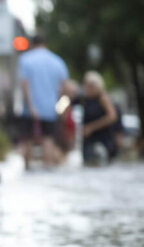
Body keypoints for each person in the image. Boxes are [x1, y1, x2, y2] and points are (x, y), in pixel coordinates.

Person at [18, 34, 69, 169]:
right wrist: (61, 107)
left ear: (32, 44)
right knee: (49, 140)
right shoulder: (57, 61)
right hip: (51, 108)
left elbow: (25, 85)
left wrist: (31, 106)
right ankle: (48, 169)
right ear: (46, 43)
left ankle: (27, 171)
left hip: (30, 109)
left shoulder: (26, 60)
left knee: (28, 139)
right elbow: (64, 87)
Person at [73, 71, 119, 164]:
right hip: (88, 140)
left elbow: (112, 116)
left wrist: (91, 127)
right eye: (86, 85)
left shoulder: (102, 98)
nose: (87, 88)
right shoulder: (83, 99)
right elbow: (67, 104)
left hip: (103, 138)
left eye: (91, 86)